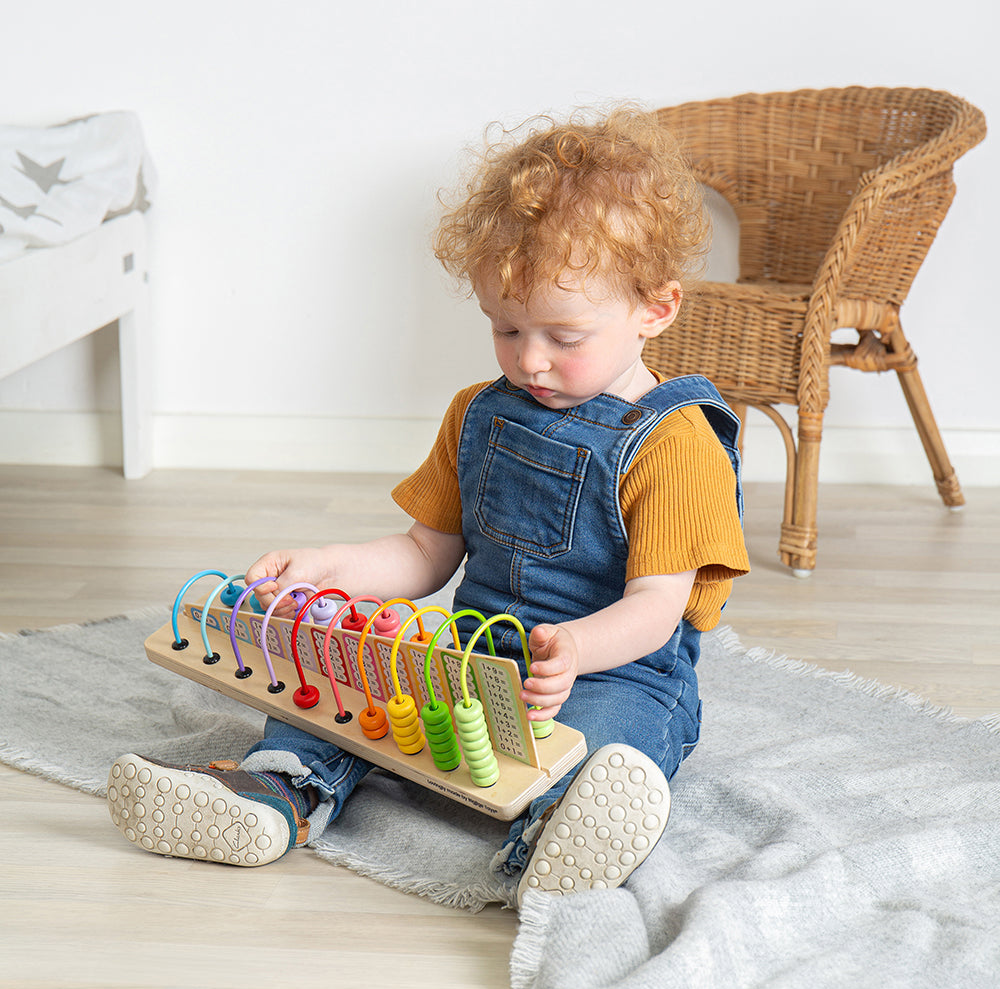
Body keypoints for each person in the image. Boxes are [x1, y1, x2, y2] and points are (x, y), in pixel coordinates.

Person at [107, 105, 749, 905]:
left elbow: (659, 606)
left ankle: (551, 846)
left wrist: (575, 651)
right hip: (470, 658)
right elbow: (423, 555)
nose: (531, 359)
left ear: (657, 308)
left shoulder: (674, 443)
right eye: (505, 328)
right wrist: (326, 567)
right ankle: (273, 796)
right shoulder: (479, 412)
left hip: (612, 668)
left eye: (563, 334)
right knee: (348, 685)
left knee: (612, 744)